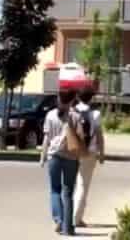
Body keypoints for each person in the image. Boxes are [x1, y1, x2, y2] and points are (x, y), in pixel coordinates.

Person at [41, 90, 81, 236]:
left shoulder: (50, 115)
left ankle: (59, 219)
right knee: (68, 192)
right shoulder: (75, 116)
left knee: (55, 189)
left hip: (54, 156)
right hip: (71, 157)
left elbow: (46, 138)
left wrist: (42, 156)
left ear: (58, 100)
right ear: (71, 101)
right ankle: (68, 228)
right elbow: (81, 136)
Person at [72, 86, 105, 228]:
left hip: (72, 152)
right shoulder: (95, 114)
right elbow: (99, 135)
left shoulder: (72, 111)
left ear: (78, 97)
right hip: (89, 152)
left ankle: (68, 216)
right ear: (91, 98)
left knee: (70, 185)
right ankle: (76, 218)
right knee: (82, 185)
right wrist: (102, 153)